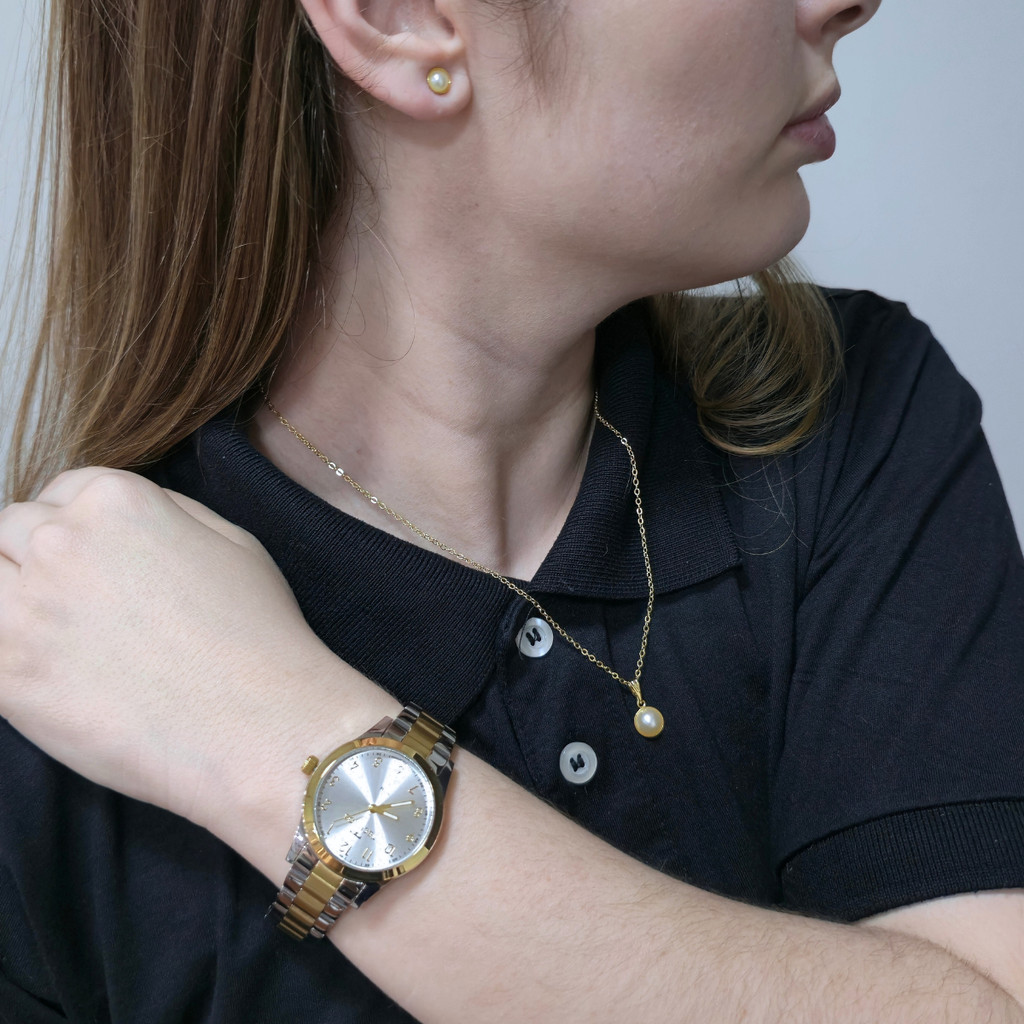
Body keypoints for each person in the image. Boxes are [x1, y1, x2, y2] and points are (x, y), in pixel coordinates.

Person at [0, 0, 1022, 1020]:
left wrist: (269, 723)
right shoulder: (50, 688)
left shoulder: (842, 416)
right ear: (397, 17)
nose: (848, 3)